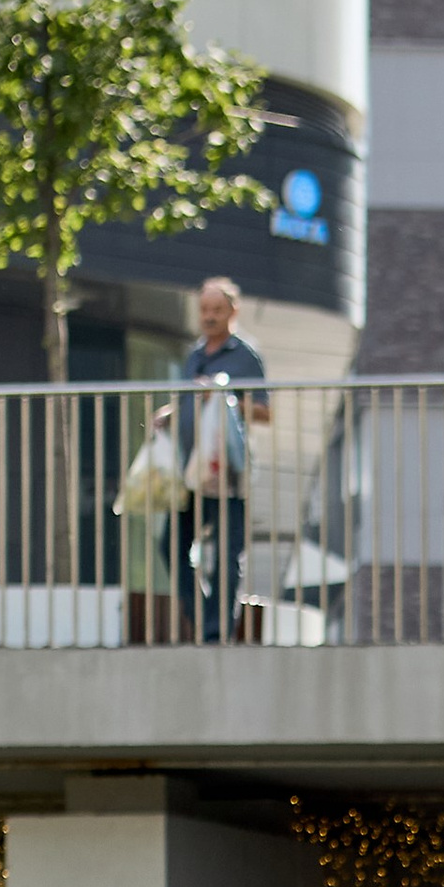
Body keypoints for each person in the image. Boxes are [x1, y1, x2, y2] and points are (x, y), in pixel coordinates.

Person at [173, 274, 270, 643]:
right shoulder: (194, 355)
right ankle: (202, 618)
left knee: (228, 554)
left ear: (233, 311)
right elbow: (188, 402)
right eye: (204, 309)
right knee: (172, 544)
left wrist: (224, 398)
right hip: (190, 471)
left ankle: (216, 633)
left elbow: (265, 412)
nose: (209, 316)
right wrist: (169, 413)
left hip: (227, 473)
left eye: (216, 309)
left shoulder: (245, 356)